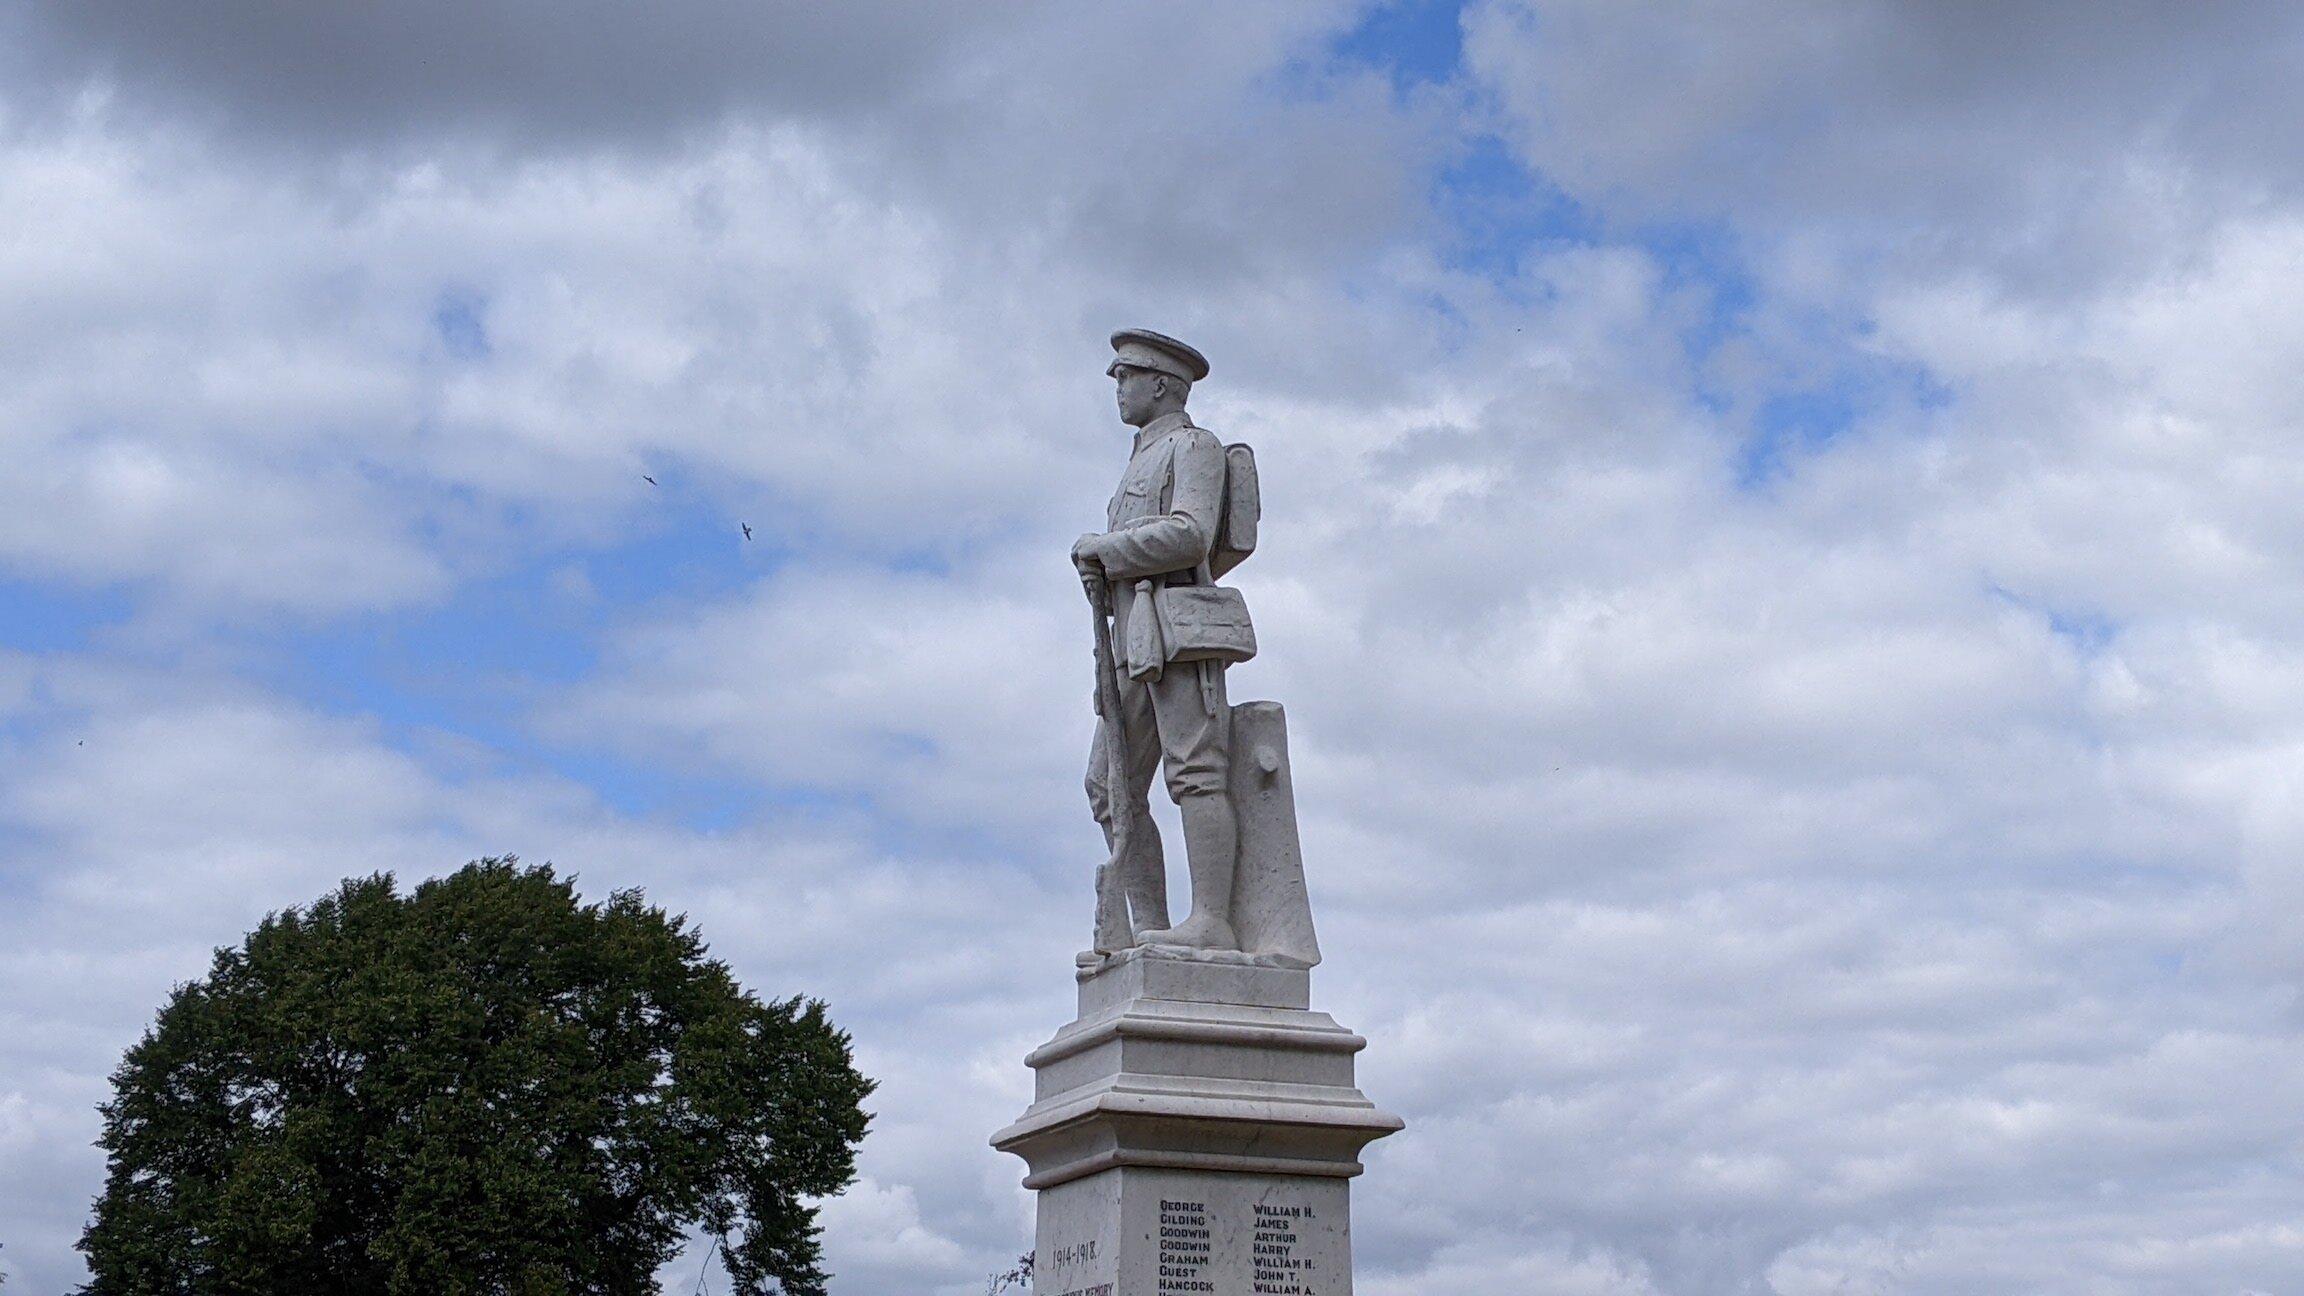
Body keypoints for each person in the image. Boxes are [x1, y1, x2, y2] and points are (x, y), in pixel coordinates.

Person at [1071, 328, 1240, 950]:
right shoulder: (1138, 458)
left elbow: (1192, 535)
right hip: (1130, 639)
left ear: (1161, 383)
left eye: (1126, 376)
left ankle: (1211, 922)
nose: (1118, 388)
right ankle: (1149, 928)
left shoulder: (1195, 447)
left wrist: (1105, 550)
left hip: (1177, 630)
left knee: (1195, 771)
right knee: (1109, 785)